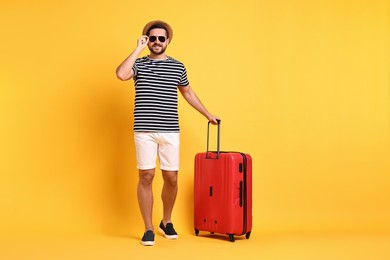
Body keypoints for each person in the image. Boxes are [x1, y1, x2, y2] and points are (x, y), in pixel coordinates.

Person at [116, 20, 219, 246]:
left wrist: (207, 114)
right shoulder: (139, 64)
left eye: (161, 38)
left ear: (168, 41)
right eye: (151, 38)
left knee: (171, 177)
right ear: (146, 40)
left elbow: (188, 92)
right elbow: (121, 75)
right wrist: (137, 48)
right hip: (144, 130)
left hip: (170, 130)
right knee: (146, 176)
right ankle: (149, 228)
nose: (156, 42)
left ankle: (166, 220)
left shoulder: (177, 67)